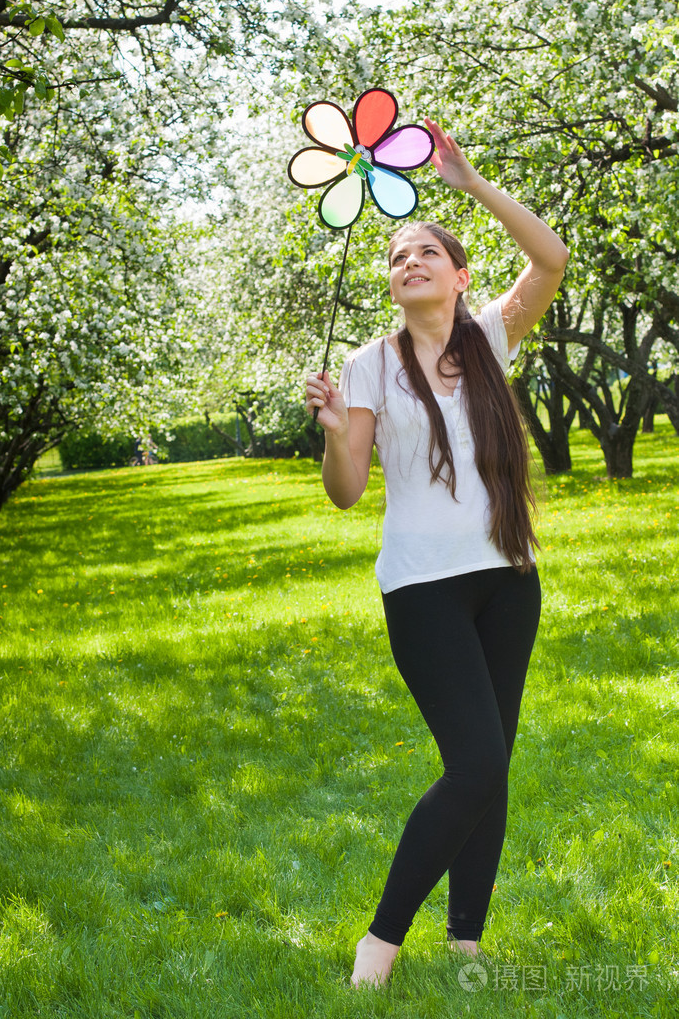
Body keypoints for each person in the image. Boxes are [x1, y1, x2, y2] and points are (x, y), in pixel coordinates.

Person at [305, 117, 568, 988]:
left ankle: (466, 945)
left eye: (424, 252)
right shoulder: (369, 364)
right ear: (390, 285)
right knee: (479, 762)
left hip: (508, 580)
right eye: (394, 257)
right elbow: (347, 492)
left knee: (493, 762)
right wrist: (340, 434)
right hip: (422, 589)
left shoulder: (489, 339)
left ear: (459, 275)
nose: (406, 262)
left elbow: (553, 258)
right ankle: (378, 946)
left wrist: (468, 186)